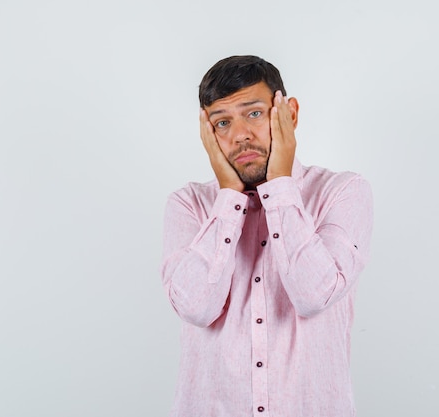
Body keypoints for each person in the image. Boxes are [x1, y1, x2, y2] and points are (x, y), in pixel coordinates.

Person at [160, 55, 374, 417]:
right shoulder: (189, 205)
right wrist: (228, 196)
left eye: (254, 113)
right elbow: (196, 309)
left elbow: (313, 295)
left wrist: (279, 184)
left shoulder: (342, 192)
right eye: (223, 122)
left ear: (289, 113)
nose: (240, 134)